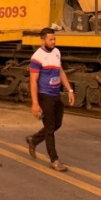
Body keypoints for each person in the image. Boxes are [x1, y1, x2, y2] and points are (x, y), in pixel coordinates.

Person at [26, 28, 75, 172]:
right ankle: (54, 160)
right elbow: (33, 81)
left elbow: (60, 71)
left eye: (54, 39)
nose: (53, 42)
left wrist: (70, 90)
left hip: (56, 95)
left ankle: (34, 140)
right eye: (50, 39)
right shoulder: (37, 58)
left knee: (56, 124)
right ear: (43, 41)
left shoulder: (56, 52)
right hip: (44, 96)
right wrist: (35, 103)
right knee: (49, 129)